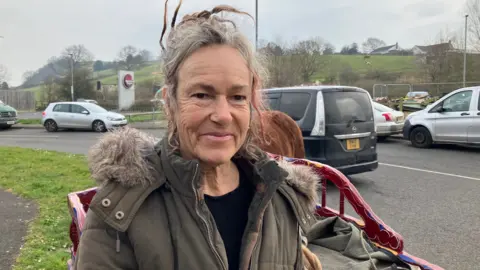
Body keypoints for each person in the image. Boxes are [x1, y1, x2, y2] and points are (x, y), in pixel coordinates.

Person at [74, 2, 322, 270]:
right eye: (202, 95)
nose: (223, 115)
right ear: (170, 102)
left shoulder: (280, 199)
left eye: (237, 97)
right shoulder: (120, 213)